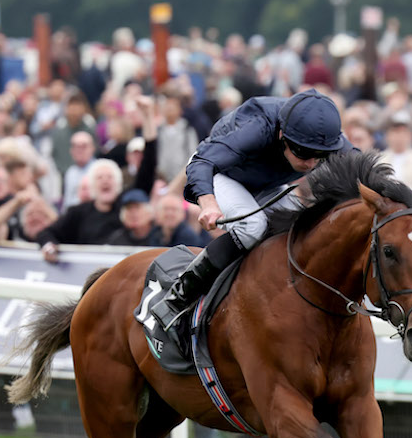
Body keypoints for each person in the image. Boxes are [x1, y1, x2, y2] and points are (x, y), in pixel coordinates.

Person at [150, 89, 352, 327]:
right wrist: (209, 203)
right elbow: (202, 162)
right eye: (303, 152)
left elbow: (360, 169)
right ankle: (178, 296)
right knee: (252, 226)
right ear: (281, 135)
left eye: (320, 155)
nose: (310, 163)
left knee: (301, 230)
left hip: (265, 183)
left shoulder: (326, 138)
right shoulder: (257, 127)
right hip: (221, 172)